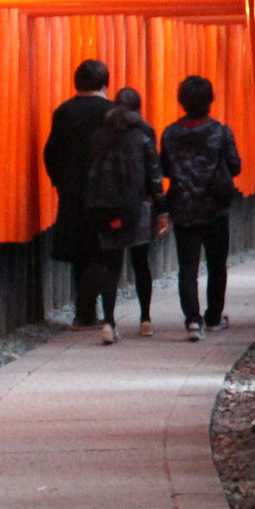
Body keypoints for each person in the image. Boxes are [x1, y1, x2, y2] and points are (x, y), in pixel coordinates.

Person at [161, 74, 243, 338]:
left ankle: (193, 320)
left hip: (183, 208)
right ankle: (213, 316)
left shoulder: (171, 134)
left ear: (181, 101)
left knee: (188, 267)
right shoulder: (220, 132)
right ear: (210, 100)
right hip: (215, 208)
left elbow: (164, 169)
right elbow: (235, 166)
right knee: (217, 265)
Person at [80, 88, 161, 346]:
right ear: (138, 108)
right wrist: (162, 209)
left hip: (107, 207)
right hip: (138, 207)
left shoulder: (99, 136)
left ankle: (109, 322)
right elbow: (154, 176)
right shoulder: (144, 135)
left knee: (111, 266)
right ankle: (145, 319)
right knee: (140, 263)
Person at [43, 59, 114, 328]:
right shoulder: (112, 111)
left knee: (80, 251)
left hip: (73, 190)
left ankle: (83, 312)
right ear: (104, 82)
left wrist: (60, 181)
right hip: (106, 193)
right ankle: (100, 310)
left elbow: (51, 152)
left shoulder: (64, 112)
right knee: (103, 250)